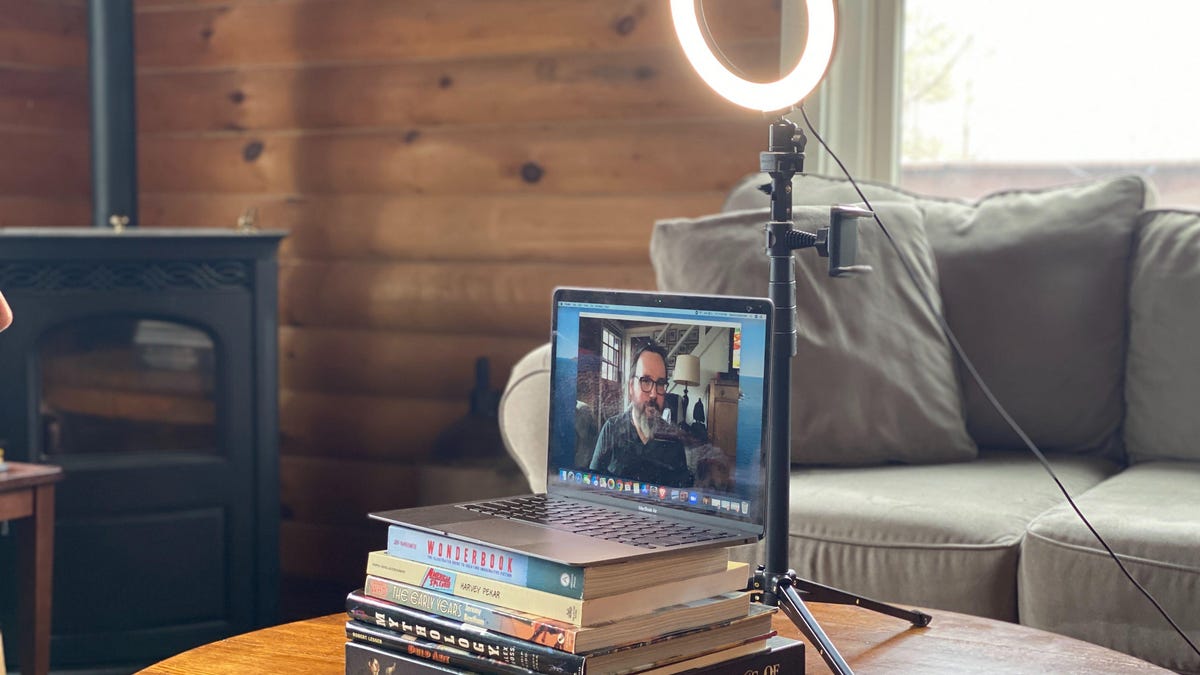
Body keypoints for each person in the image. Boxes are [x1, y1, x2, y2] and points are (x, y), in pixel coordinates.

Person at [589, 341, 693, 487]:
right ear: (631, 387)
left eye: (660, 384)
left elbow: (681, 499)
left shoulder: (674, 442)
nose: (653, 394)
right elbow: (591, 487)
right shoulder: (611, 430)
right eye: (645, 381)